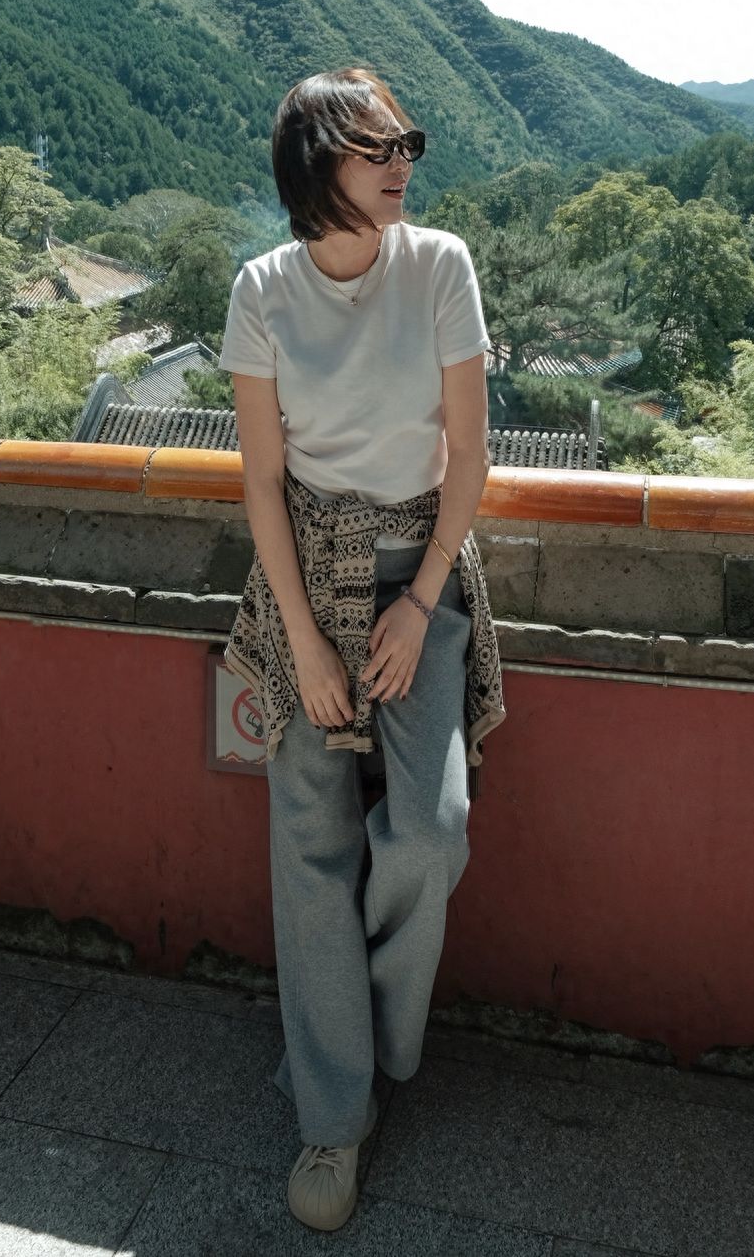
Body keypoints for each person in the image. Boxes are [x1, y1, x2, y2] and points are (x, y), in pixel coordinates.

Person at [218, 65, 506, 1234]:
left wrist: (414, 601)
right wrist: (306, 640)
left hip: (418, 576)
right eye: (372, 145)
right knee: (309, 838)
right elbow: (259, 481)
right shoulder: (261, 291)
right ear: (311, 165)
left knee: (429, 829)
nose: (399, 164)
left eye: (407, 144)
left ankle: (373, 1035)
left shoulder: (438, 265)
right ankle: (331, 1117)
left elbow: (470, 460)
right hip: (303, 575)